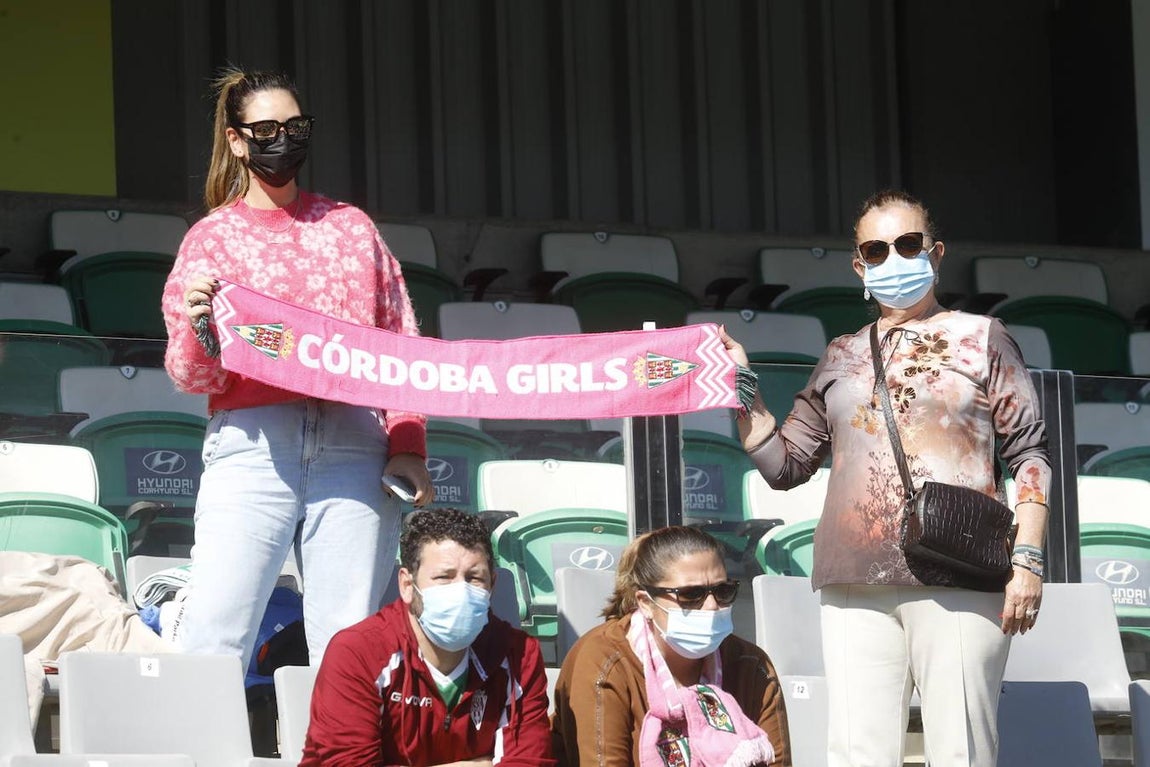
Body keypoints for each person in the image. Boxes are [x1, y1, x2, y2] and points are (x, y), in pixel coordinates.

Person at [723, 189, 1051, 767]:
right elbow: (785, 465)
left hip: (959, 567)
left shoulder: (983, 336)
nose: (892, 258)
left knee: (962, 751)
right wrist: (741, 386)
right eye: (876, 249)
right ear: (859, 265)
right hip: (854, 573)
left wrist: (1027, 559)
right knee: (856, 752)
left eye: (907, 244)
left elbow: (1030, 454)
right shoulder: (842, 353)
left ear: (936, 251)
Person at [161, 67, 434, 669]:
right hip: (253, 445)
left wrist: (407, 439)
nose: (281, 139)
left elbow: (399, 341)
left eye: (294, 126)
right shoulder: (212, 239)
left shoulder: (351, 228)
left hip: (354, 443)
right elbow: (189, 374)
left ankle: (336, 763)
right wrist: (203, 328)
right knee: (216, 632)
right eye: (265, 129)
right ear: (236, 140)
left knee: (349, 645)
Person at [300, 508, 554, 767]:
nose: (461, 590)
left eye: (474, 578)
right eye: (444, 577)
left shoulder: (519, 654)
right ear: (407, 586)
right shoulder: (358, 652)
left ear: (493, 585)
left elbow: (532, 760)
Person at [551, 526, 791, 767]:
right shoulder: (602, 661)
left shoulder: (751, 665)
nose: (711, 606)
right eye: (690, 594)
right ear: (645, 602)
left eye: (722, 591)